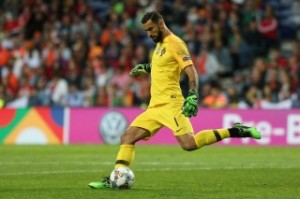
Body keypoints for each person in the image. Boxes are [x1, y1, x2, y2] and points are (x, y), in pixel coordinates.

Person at [88, 11, 261, 189]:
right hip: (154, 106)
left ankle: (237, 131)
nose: (149, 34)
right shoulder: (159, 43)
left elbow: (191, 70)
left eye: (151, 29)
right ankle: (115, 178)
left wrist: (193, 94)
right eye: (146, 31)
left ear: (161, 24)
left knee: (189, 144)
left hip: (172, 104)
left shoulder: (175, 43)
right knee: (127, 136)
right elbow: (164, 65)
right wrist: (146, 68)